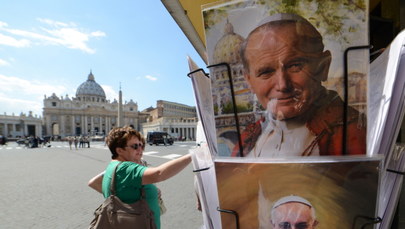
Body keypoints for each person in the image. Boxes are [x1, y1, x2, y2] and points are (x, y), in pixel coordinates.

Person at [232, 13, 366, 157]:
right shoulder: (248, 138)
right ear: (249, 81)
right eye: (266, 72)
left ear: (323, 67)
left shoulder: (355, 132)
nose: (282, 85)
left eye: (295, 66)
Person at [87, 126, 191, 229]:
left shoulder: (113, 166)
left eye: (142, 145)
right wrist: (193, 156)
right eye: (135, 146)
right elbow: (159, 174)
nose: (140, 149)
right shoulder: (125, 168)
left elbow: (94, 183)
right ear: (119, 150)